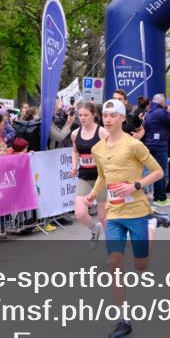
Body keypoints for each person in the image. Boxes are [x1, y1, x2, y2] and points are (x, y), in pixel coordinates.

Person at [85, 99, 170, 338]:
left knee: (141, 266)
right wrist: (92, 194)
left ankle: (153, 223)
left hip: (137, 211)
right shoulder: (97, 149)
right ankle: (124, 319)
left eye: (113, 115)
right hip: (114, 214)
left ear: (123, 118)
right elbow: (102, 176)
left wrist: (135, 185)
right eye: (105, 115)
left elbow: (158, 172)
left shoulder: (134, 145)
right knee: (115, 264)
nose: (108, 119)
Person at [72, 102, 104, 244]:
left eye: (86, 115)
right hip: (84, 176)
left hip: (101, 177)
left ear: (94, 115)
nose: (83, 118)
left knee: (104, 216)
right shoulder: (75, 134)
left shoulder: (102, 132)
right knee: (79, 213)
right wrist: (74, 167)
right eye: (80, 115)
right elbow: (75, 151)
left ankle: (114, 251)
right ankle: (94, 228)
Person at [142, 93, 170, 206]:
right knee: (160, 172)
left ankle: (158, 196)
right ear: (161, 101)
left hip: (150, 143)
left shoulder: (149, 112)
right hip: (160, 145)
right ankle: (161, 198)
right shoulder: (160, 112)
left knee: (154, 171)